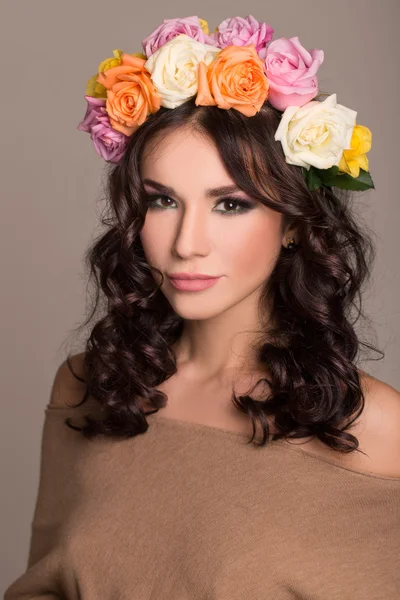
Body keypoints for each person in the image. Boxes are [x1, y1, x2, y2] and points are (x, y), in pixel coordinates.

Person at [5, 14, 400, 600]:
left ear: (292, 223)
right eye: (163, 200)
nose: (187, 243)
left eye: (230, 205)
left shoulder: (374, 429)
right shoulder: (90, 386)